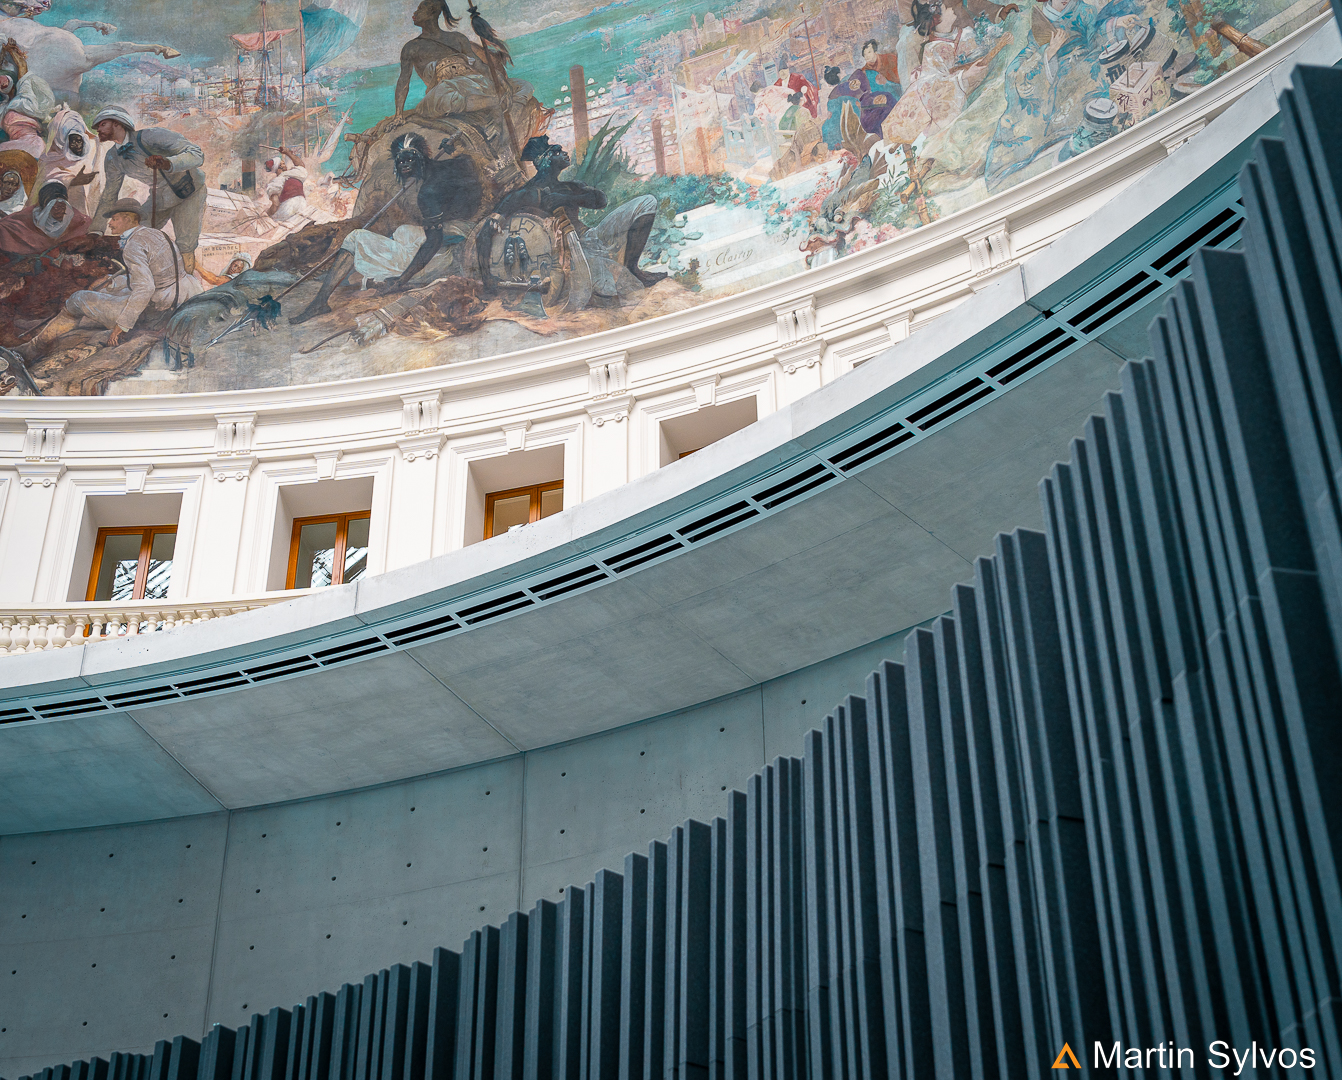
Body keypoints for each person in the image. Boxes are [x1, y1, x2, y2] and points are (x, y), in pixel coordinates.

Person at [290, 131, 483, 324]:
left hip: (448, 245)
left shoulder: (427, 192)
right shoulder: (450, 164)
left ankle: (321, 301)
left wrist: (402, 281)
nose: (405, 165)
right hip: (461, 228)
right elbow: (467, 162)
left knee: (355, 238)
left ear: (422, 158)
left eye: (410, 159)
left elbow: (434, 242)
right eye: (401, 161)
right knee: (402, 231)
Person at [486, 134, 664, 302]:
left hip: (592, 237)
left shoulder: (569, 187)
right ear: (545, 160)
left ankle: (632, 268)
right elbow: (505, 206)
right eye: (557, 151)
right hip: (572, 255)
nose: (564, 153)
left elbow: (601, 200)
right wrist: (500, 213)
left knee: (647, 202)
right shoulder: (526, 193)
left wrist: (566, 199)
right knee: (608, 290)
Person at [24, 198, 202, 355]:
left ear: (128, 219)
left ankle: (33, 348)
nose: (110, 224)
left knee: (77, 299)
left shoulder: (133, 244)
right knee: (110, 286)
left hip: (156, 308)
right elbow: (157, 274)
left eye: (114, 219)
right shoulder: (156, 234)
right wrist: (111, 281)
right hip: (181, 293)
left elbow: (145, 287)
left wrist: (122, 326)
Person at [89, 104, 207, 274]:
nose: (97, 130)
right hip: (160, 197)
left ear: (117, 124)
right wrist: (96, 231)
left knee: (185, 245)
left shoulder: (151, 137)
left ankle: (186, 288)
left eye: (102, 124)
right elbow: (109, 195)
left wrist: (168, 163)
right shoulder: (112, 158)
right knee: (136, 233)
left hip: (189, 192)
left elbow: (197, 154)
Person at [36, 105, 99, 216]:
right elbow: (45, 183)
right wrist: (71, 181)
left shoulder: (91, 152)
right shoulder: (49, 158)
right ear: (62, 140)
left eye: (79, 140)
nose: (77, 144)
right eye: (72, 140)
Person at [0, 179, 88, 254]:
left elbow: (86, 224)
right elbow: (9, 223)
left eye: (62, 206)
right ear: (46, 207)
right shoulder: (31, 214)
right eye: (55, 206)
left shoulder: (75, 218)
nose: (60, 210)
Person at [0, 37, 53, 159]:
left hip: (34, 144)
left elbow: (22, 67)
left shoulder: (26, 98)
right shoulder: (3, 109)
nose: (2, 82)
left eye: (5, 79)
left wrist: (12, 51)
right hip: (14, 145)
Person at [263, 148, 309, 222]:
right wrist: (288, 153)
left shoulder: (277, 181)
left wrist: (266, 215)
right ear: (280, 167)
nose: (286, 165)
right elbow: (300, 165)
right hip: (302, 204)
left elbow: (275, 204)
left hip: (288, 207)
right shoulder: (295, 173)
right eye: (283, 163)